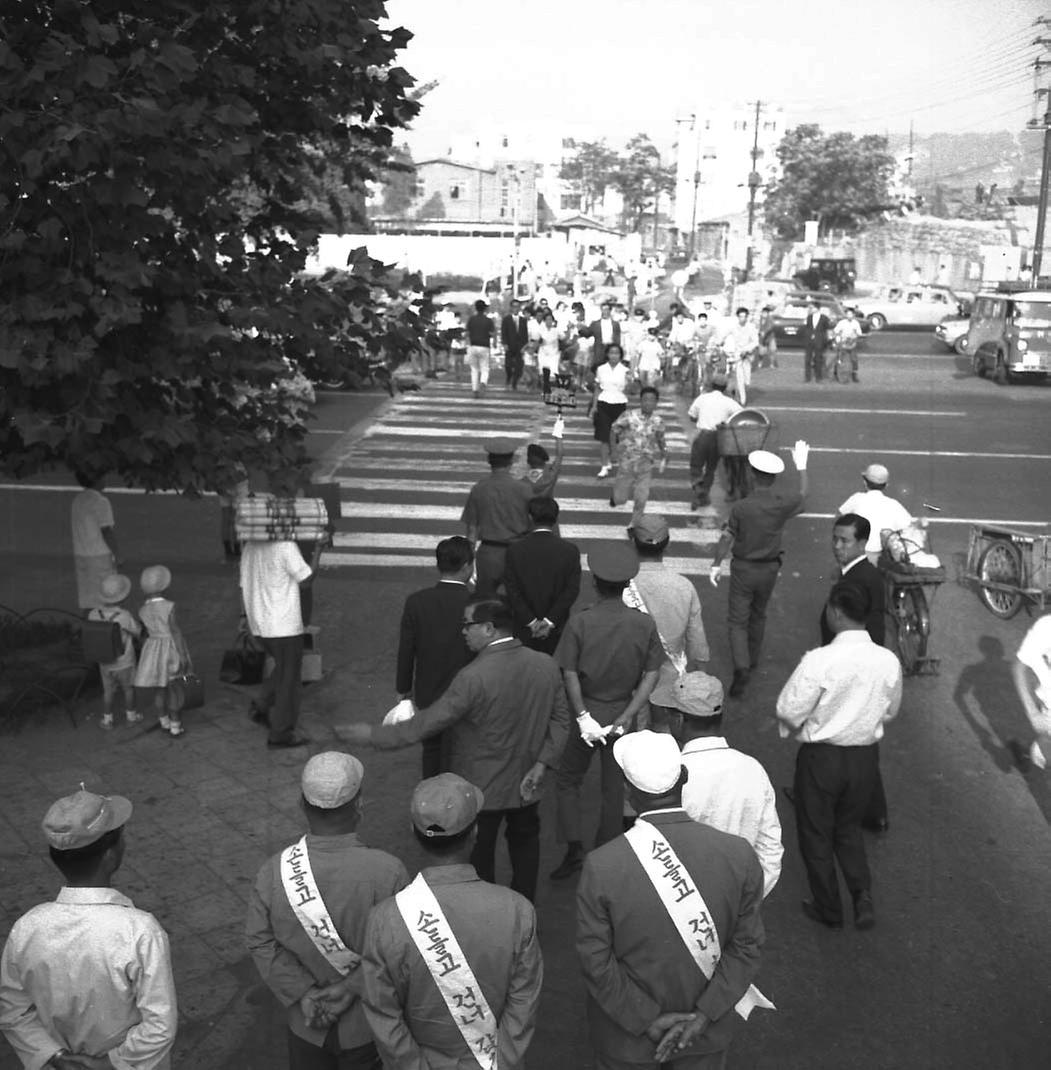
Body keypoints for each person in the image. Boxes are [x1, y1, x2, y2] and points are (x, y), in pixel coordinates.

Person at [339, 599, 570, 903]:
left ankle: (488, 911)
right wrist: (543, 762)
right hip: (529, 780)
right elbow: (561, 720)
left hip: (481, 786)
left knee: (481, 852)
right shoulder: (545, 664)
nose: (463, 632)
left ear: (488, 628)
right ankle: (524, 905)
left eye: (468, 624)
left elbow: (427, 724)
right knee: (525, 842)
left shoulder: (472, 677)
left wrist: (373, 735)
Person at [576, 731, 768, 1070]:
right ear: (684, 778)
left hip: (626, 1039)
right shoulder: (738, 855)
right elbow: (747, 947)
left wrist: (647, 1020)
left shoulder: (602, 865)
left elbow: (595, 960)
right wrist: (704, 1016)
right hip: (705, 1035)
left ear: (628, 793)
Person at [362, 774, 542, 1069]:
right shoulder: (518, 910)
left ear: (413, 831)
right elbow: (523, 1003)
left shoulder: (385, 919)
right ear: (475, 832)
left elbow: (382, 1013)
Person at [245, 753, 408, 1070]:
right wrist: (351, 987)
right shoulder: (389, 872)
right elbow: (403, 953)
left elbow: (259, 941)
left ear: (301, 805)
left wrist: (303, 992)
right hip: (370, 1028)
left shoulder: (273, 872)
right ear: (359, 805)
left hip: (307, 1025)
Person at [0, 787, 177, 1069]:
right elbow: (160, 1025)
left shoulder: (27, 927)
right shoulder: (140, 931)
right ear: (110, 856)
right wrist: (109, 1063)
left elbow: (11, 1007)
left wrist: (54, 1056)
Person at [776, 585, 903, 931]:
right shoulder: (888, 660)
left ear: (835, 612)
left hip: (822, 759)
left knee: (816, 833)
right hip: (864, 759)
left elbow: (788, 709)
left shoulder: (819, 660)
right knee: (847, 830)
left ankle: (829, 907)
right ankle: (861, 893)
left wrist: (807, 723)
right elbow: (890, 710)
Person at [551, 542, 665, 877]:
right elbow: (652, 673)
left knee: (568, 779)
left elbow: (569, 671)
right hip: (620, 712)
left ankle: (573, 848)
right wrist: (628, 715)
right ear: (628, 584)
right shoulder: (643, 624)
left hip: (586, 710)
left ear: (595, 583)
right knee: (613, 788)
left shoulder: (580, 622)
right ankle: (606, 853)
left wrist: (584, 716)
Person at [653, 672, 782, 897]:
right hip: (737, 904)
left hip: (683, 907)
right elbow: (770, 849)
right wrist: (745, 902)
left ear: (679, 720)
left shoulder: (670, 775)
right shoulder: (753, 769)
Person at [709, 444, 811, 699]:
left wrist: (716, 563)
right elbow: (803, 496)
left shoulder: (742, 507)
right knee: (758, 614)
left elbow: (727, 537)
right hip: (769, 568)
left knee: (737, 620)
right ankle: (752, 659)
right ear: (774, 478)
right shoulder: (781, 504)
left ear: (753, 475)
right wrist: (802, 467)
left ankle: (741, 667)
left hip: (744, 568)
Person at [395, 536, 475, 777]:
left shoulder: (417, 602)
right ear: (467, 566)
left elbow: (406, 650)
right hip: (468, 693)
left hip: (429, 691)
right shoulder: (478, 602)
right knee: (464, 751)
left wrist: (403, 690)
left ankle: (430, 802)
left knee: (431, 750)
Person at [241, 524, 314, 748]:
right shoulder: (285, 546)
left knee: (284, 667)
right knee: (289, 679)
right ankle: (280, 733)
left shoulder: (250, 546)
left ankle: (261, 706)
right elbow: (306, 580)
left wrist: (245, 618)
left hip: (260, 623)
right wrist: (319, 551)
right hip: (284, 625)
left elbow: (243, 584)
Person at [625, 515, 710, 688]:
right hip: (669, 679)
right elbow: (697, 640)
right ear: (668, 545)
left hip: (628, 677)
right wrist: (701, 677)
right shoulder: (684, 587)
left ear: (633, 543)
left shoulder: (623, 584)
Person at [504, 497, 582, 655]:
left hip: (524, 627)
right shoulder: (570, 550)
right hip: (557, 627)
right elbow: (571, 590)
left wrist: (531, 622)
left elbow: (512, 590)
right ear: (555, 518)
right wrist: (549, 621)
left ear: (530, 517)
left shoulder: (515, 550)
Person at [460, 437, 533, 596]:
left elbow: (472, 532)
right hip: (517, 552)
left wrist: (469, 562)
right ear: (512, 461)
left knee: (484, 603)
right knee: (518, 603)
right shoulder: (524, 489)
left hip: (489, 554)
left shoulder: (479, 489)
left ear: (489, 460)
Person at [134, 565, 191, 739]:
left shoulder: (142, 610)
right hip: (170, 648)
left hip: (152, 649)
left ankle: (163, 721)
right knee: (173, 689)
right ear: (164, 586)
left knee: (159, 689)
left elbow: (143, 632)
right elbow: (174, 631)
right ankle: (175, 725)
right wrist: (182, 654)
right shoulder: (169, 606)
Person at [820, 514, 885, 647]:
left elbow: (874, 626)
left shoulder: (858, 579)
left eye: (844, 541)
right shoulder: (860, 572)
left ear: (862, 544)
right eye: (835, 539)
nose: (837, 546)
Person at [610, 386, 668, 534]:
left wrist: (664, 453)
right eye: (645, 400)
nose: (648, 403)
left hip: (646, 463)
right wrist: (614, 451)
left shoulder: (658, 421)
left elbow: (661, 440)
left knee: (641, 497)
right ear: (641, 401)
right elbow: (613, 430)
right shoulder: (628, 416)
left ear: (656, 403)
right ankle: (616, 498)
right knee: (620, 498)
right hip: (627, 462)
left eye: (651, 400)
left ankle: (634, 525)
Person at [89, 573, 143, 730]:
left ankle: (107, 719)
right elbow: (137, 631)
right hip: (124, 661)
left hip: (104, 662)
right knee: (128, 689)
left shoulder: (93, 614)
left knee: (108, 691)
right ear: (122, 598)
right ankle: (131, 717)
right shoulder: (124, 616)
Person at [687, 375, 742, 509]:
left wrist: (700, 418)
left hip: (703, 435)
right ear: (724, 388)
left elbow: (692, 416)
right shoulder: (729, 402)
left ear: (712, 385)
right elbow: (740, 416)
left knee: (696, 466)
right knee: (711, 468)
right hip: (719, 438)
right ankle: (705, 492)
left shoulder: (702, 398)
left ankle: (698, 487)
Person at [838, 464, 913, 561]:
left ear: (865, 482)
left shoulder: (856, 499)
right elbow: (908, 528)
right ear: (886, 485)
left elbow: (838, 519)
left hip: (856, 556)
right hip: (881, 557)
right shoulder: (894, 505)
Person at [70, 470, 120, 614]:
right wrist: (118, 554)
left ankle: (88, 630)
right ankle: (105, 632)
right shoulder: (101, 502)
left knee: (87, 600)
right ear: (96, 479)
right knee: (106, 599)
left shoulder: (77, 500)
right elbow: (106, 531)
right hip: (100, 557)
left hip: (81, 555)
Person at [1013, 613, 1051, 769]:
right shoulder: (1046, 626)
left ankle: (1031, 752)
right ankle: (1031, 752)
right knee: (1047, 755)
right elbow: (1019, 667)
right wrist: (1033, 713)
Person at [589, 342, 631, 479]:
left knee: (618, 436)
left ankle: (616, 459)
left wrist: (631, 382)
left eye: (617, 353)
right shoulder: (601, 369)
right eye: (611, 353)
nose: (614, 356)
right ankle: (604, 465)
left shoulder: (625, 370)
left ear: (620, 356)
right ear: (607, 354)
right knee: (604, 436)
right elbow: (597, 388)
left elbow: (631, 391)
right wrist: (594, 407)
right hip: (603, 403)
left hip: (619, 404)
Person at [718, 308, 759, 405]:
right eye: (741, 316)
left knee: (747, 381)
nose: (742, 319)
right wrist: (720, 341)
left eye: (744, 317)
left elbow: (755, 342)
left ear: (747, 317)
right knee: (739, 377)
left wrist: (747, 350)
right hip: (738, 354)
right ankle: (742, 400)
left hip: (748, 355)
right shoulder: (734, 327)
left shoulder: (751, 327)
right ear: (738, 317)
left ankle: (742, 392)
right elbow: (725, 334)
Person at [521, 415, 565, 498]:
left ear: (528, 461)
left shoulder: (524, 482)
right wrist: (558, 433)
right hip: (547, 507)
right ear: (544, 459)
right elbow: (560, 454)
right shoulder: (551, 474)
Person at [465, 299, 494, 398]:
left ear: (476, 308)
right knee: (485, 368)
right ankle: (483, 382)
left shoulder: (471, 319)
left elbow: (467, 333)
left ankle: (474, 390)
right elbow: (492, 333)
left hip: (473, 345)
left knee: (474, 369)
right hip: (484, 346)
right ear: (484, 308)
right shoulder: (488, 320)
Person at [800, 299, 832, 383]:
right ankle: (807, 377)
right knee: (807, 359)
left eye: (812, 308)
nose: (811, 309)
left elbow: (827, 329)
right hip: (809, 341)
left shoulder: (824, 318)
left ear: (817, 308)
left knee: (818, 359)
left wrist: (827, 340)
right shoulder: (809, 317)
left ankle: (818, 377)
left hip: (819, 341)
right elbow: (805, 327)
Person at [501, 299, 530, 390]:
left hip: (520, 346)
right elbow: (504, 333)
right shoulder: (506, 319)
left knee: (519, 366)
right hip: (509, 345)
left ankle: (514, 382)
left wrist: (525, 346)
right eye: (514, 306)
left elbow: (525, 334)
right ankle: (509, 377)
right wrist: (505, 343)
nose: (516, 309)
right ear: (511, 308)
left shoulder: (523, 320)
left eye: (517, 307)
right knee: (508, 365)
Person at [831, 307, 864, 382]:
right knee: (839, 358)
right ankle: (836, 374)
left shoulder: (856, 323)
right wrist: (838, 337)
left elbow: (859, 333)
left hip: (852, 343)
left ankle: (854, 374)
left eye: (851, 314)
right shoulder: (842, 323)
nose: (849, 316)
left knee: (854, 359)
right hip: (843, 343)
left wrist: (855, 334)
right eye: (848, 314)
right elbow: (835, 331)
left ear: (853, 315)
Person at [587, 300, 622, 367]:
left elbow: (618, 338)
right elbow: (587, 333)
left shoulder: (615, 324)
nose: (605, 311)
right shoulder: (595, 324)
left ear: (610, 311)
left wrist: (617, 350)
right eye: (603, 309)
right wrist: (580, 328)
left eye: (607, 309)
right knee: (598, 367)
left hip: (611, 348)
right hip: (599, 348)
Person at [535, 308, 562, 394]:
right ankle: (545, 390)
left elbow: (564, 338)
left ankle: (552, 390)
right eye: (547, 319)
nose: (549, 321)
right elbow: (536, 341)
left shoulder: (556, 331)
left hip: (554, 355)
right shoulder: (540, 330)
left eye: (550, 319)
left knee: (553, 373)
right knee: (544, 372)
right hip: (543, 354)